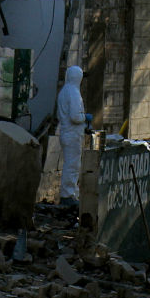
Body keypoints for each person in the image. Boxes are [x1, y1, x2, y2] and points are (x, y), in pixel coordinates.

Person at [57, 65, 91, 207]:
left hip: (66, 133)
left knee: (71, 164)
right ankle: (68, 195)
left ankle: (71, 193)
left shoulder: (65, 91)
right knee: (72, 165)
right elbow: (75, 117)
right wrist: (86, 117)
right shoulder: (73, 93)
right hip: (72, 134)